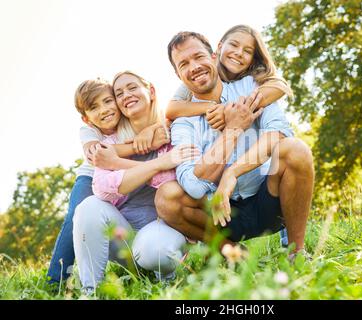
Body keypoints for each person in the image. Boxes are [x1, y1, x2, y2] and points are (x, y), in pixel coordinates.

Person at [155, 32, 314, 258]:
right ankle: (233, 252)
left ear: (213, 56)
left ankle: (296, 253)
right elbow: (194, 185)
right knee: (166, 198)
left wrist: (233, 172)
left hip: (267, 199)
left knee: (296, 149)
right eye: (184, 64)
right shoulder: (182, 123)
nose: (194, 67)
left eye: (199, 57)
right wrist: (232, 130)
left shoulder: (251, 88)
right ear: (177, 73)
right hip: (220, 213)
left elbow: (278, 133)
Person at [72, 71, 199, 293]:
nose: (126, 96)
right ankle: (89, 292)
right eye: (119, 93)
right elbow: (102, 188)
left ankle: (168, 282)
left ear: (150, 91)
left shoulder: (173, 129)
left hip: (161, 231)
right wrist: (160, 162)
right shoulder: (112, 142)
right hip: (125, 239)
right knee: (88, 207)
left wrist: (119, 162)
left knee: (155, 251)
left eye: (132, 88)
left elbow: (166, 182)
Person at [47, 78, 165, 284]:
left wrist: (149, 131)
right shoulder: (88, 131)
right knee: (77, 215)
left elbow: (159, 119)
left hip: (116, 177)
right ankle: (56, 279)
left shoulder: (128, 121)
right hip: (90, 176)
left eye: (108, 101)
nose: (104, 110)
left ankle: (140, 259)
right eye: (94, 107)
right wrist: (139, 145)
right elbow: (98, 154)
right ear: (86, 119)